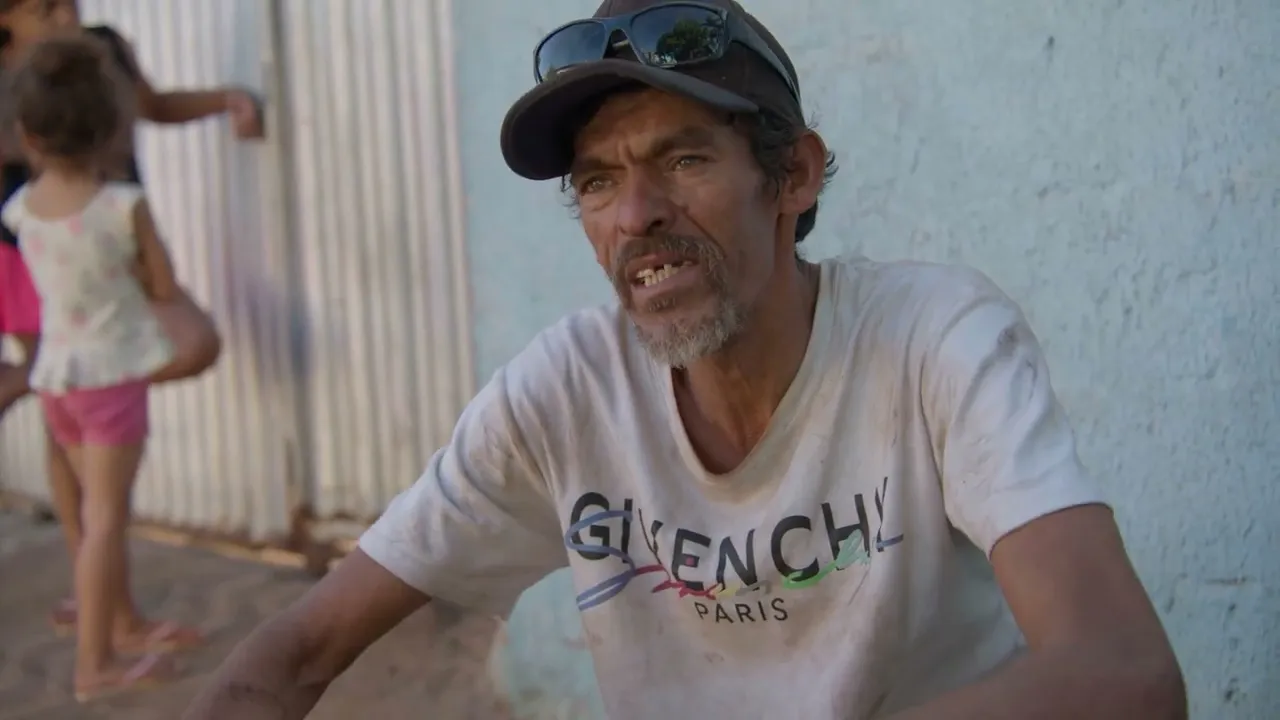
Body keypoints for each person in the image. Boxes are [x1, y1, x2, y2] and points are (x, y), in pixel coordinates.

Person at [185, 1, 1187, 718]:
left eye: (684, 158)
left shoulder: (931, 339)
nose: (635, 215)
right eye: (596, 182)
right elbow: (295, 654)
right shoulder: (566, 395)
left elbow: (1124, 673)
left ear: (791, 176)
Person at [0, 0, 264, 642]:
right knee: (77, 439)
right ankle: (104, 605)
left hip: (100, 254)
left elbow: (157, 104)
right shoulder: (13, 80)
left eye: (69, 3)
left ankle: (44, 384)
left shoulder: (103, 50)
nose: (66, 16)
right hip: (38, 254)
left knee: (186, 346)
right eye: (46, 9)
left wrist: (226, 98)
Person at [2, 33, 198, 700]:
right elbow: (163, 286)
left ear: (29, 134)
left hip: (57, 381)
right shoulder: (123, 207)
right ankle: (95, 664)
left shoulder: (21, 209)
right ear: (113, 126)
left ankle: (124, 626)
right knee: (107, 521)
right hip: (110, 383)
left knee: (92, 519)